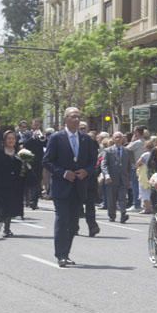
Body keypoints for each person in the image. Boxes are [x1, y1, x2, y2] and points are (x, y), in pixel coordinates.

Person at [43, 107, 98, 267]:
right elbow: (47, 161)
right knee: (62, 220)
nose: (76, 119)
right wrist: (63, 172)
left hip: (79, 186)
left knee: (74, 223)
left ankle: (66, 253)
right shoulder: (56, 138)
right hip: (62, 186)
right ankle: (60, 254)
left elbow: (92, 161)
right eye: (73, 117)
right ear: (66, 119)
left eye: (78, 117)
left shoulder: (86, 139)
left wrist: (86, 171)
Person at [0, 130, 26, 237]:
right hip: (1, 182)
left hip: (14, 182)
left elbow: (26, 166)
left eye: (13, 139)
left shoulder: (20, 152)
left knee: (10, 205)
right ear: (5, 140)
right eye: (9, 138)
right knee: (1, 204)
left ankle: (7, 229)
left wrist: (26, 161)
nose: (11, 140)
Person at [101, 131, 133, 223]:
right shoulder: (108, 151)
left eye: (120, 137)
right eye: (116, 137)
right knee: (112, 199)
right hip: (111, 179)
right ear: (113, 139)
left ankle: (123, 214)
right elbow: (104, 165)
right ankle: (112, 215)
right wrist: (106, 175)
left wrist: (129, 179)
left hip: (123, 179)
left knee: (122, 197)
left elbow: (129, 166)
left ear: (123, 139)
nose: (119, 139)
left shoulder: (127, 151)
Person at [78, 121, 101, 237]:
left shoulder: (91, 142)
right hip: (75, 177)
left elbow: (94, 160)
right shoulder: (69, 140)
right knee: (76, 204)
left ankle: (92, 226)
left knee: (90, 204)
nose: (82, 130)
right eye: (80, 128)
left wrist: (88, 171)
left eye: (84, 128)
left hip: (89, 177)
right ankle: (74, 226)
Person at [22, 118, 46, 210]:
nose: (36, 126)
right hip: (29, 160)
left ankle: (34, 202)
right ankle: (27, 199)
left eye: (38, 124)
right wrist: (32, 138)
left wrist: (43, 138)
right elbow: (25, 144)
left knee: (37, 181)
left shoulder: (41, 135)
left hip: (39, 161)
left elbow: (46, 144)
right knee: (29, 181)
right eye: (34, 124)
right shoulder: (27, 134)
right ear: (32, 125)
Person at [126, 125, 148, 212]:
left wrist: (131, 140)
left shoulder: (137, 142)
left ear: (137, 133)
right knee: (142, 186)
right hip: (145, 166)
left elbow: (126, 149)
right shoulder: (145, 141)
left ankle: (136, 204)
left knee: (135, 185)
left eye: (134, 132)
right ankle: (141, 204)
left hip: (136, 166)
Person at [135, 138, 155, 214]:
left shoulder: (145, 154)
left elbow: (138, 163)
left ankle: (147, 208)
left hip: (144, 174)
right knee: (150, 191)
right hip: (151, 174)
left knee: (144, 192)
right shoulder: (154, 154)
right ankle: (151, 207)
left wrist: (138, 166)